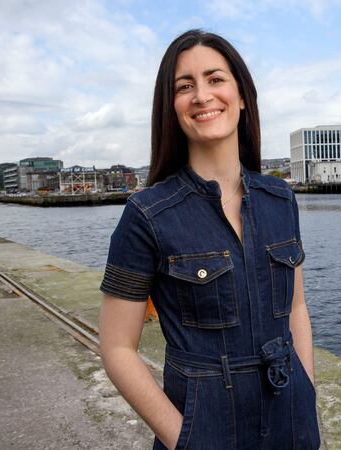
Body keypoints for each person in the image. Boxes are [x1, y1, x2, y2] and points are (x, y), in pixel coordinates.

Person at [98, 29, 320, 449]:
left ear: (241, 96)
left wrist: (305, 393)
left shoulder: (281, 200)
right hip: (206, 429)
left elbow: (296, 308)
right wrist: (184, 438)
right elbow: (116, 348)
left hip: (292, 423)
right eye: (185, 86)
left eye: (215, 79)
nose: (202, 95)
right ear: (172, 107)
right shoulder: (146, 214)